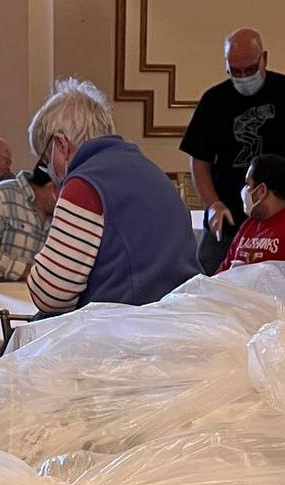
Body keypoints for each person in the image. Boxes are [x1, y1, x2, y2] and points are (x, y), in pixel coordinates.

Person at [26, 77, 198, 314]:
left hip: (121, 333)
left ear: (60, 144)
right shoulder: (152, 172)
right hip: (179, 320)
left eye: (46, 159)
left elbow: (50, 294)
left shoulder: (84, 184)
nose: (48, 171)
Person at [181, 27, 285, 276]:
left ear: (264, 59)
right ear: (226, 66)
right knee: (209, 277)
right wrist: (213, 204)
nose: (244, 76)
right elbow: (199, 161)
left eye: (250, 69)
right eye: (236, 71)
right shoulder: (214, 101)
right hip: (230, 215)